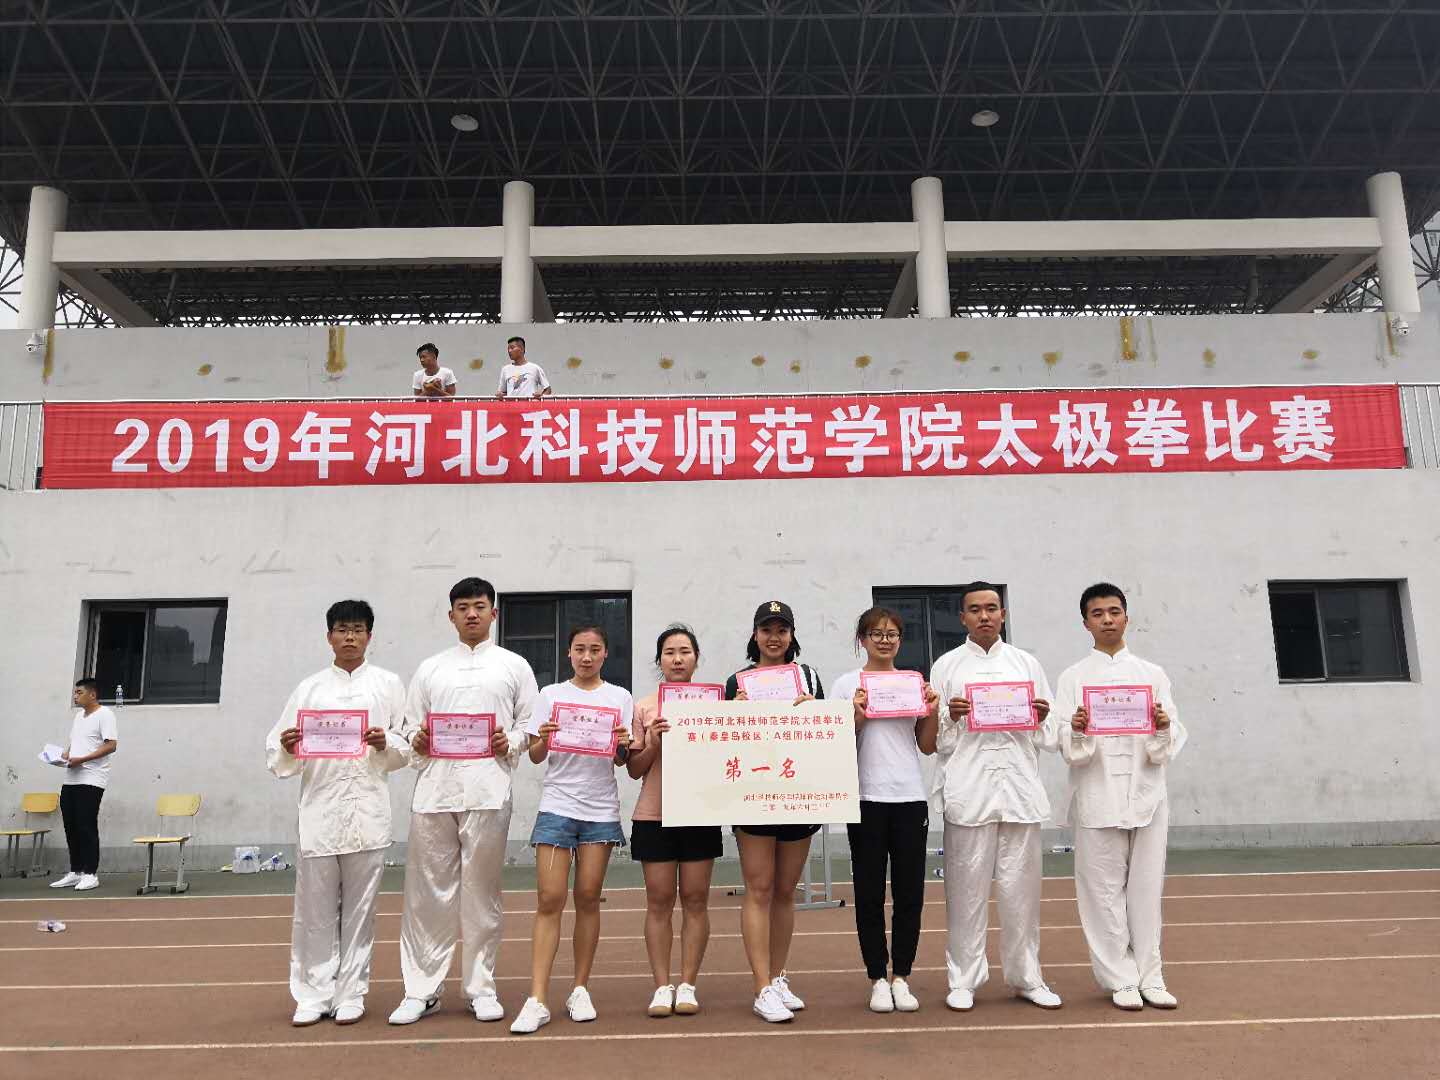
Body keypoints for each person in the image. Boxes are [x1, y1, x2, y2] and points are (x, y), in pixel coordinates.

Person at [388, 578, 538, 1026]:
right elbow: (409, 729)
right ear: (451, 615)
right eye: (463, 607)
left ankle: (480, 988)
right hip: (434, 793)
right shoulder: (430, 669)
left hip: (489, 792)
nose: (472, 613)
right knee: (426, 895)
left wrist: (509, 741)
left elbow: (530, 725)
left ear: (494, 613)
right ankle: (421, 990)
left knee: (482, 893)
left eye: (480, 606)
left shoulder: (514, 666)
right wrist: (418, 739)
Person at [266, 600, 409, 1027]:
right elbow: (278, 749)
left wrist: (386, 743)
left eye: (358, 630)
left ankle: (351, 992)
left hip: (367, 811)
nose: (350, 637)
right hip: (320, 812)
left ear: (370, 636)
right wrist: (289, 746)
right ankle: (313, 993)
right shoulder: (309, 689)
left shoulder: (388, 685)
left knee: (361, 911)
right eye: (342, 629)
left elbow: (407, 744)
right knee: (315, 910)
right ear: (329, 636)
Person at [929, 582, 1064, 1013]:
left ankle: (1026, 976)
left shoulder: (1027, 664)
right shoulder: (947, 666)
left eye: (991, 608)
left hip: (1019, 789)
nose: (984, 616)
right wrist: (951, 717)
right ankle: (963, 979)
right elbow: (935, 740)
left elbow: (1049, 735)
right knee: (965, 892)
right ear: (962, 617)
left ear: (1003, 614)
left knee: (1021, 893)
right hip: (969, 789)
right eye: (975, 609)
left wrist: (1041, 716)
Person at [1054, 582, 1186, 1012]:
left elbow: (1169, 741)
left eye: (1114, 611)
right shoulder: (1073, 678)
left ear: (1127, 617)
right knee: (1101, 891)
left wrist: (1162, 726)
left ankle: (1151, 974)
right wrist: (1077, 729)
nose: (1107, 620)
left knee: (1146, 889)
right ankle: (1120, 977)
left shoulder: (1153, 675)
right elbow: (1065, 743)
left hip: (1147, 794)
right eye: (1098, 614)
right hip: (1097, 791)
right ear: (1085, 623)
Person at [510, 625, 633, 1035]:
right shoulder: (550, 696)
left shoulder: (619, 698)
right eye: (580, 649)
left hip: (600, 810)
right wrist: (543, 739)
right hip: (557, 807)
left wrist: (622, 742)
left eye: (595, 649)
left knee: (588, 898)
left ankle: (580, 989)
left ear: (605, 654)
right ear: (568, 653)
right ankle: (537, 997)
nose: (587, 656)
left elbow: (621, 759)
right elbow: (535, 756)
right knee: (549, 898)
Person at [831, 607, 939, 1014]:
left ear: (900, 640)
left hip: (909, 796)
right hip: (866, 797)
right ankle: (877, 976)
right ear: (862, 639)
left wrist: (933, 710)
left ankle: (902, 976)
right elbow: (833, 744)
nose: (884, 640)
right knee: (869, 892)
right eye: (876, 633)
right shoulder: (846, 684)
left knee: (910, 892)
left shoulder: (913, 683)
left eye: (892, 634)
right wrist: (855, 717)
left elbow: (926, 745)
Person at [724, 600, 823, 1024]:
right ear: (755, 635)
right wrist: (734, 713)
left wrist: (813, 710)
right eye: (767, 629)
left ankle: (779, 977)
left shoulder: (809, 677)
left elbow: (826, 733)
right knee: (759, 888)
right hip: (753, 792)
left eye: (782, 629)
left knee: (785, 891)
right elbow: (721, 737)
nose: (774, 637)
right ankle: (761, 985)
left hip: (798, 791)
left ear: (792, 635)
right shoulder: (736, 682)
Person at [627, 625, 723, 1019]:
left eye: (685, 651)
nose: (678, 659)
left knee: (696, 900)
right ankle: (661, 985)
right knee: (659, 901)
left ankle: (687, 984)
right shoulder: (644, 707)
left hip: (700, 813)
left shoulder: (716, 703)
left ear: (696, 658)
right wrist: (653, 741)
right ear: (659, 660)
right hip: (655, 814)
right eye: (669, 652)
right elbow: (634, 769)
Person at [50, 678, 118, 892]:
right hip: (71, 778)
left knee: (86, 824)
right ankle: (76, 871)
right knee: (70, 825)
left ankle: (90, 873)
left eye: (79, 692)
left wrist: (83, 759)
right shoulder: (79, 717)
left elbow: (111, 745)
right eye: (75, 692)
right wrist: (65, 754)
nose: (75, 696)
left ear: (93, 694)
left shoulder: (105, 714)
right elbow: (76, 742)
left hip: (92, 778)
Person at [495, 336, 552, 400]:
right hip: (512, 406)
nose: (509, 351)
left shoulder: (535, 368)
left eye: (512, 348)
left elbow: (548, 389)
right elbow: (503, 392)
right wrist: (499, 395)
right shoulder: (505, 369)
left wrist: (540, 396)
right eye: (508, 349)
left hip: (530, 405)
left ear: (522, 349)